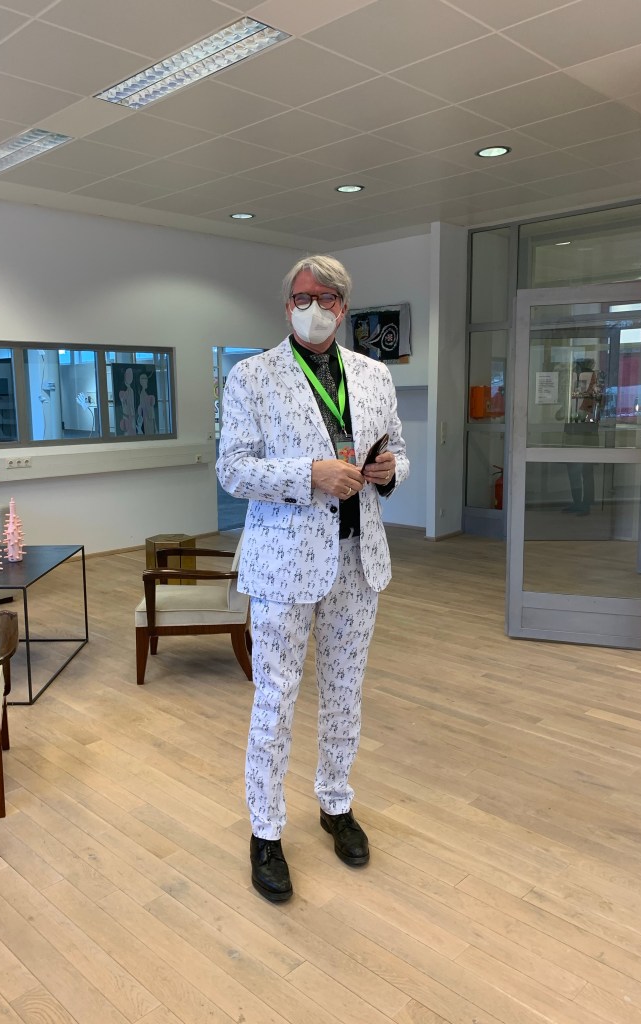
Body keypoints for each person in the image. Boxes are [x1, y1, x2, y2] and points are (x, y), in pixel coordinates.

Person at [216, 254, 409, 903]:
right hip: (283, 565)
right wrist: (309, 474)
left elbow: (398, 448)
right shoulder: (252, 376)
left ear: (343, 307)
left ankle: (335, 803)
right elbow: (233, 469)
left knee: (345, 692)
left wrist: (390, 471)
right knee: (275, 697)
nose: (313, 307)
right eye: (302, 297)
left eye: (325, 298)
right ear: (287, 305)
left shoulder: (374, 375)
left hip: (358, 559)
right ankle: (266, 831)